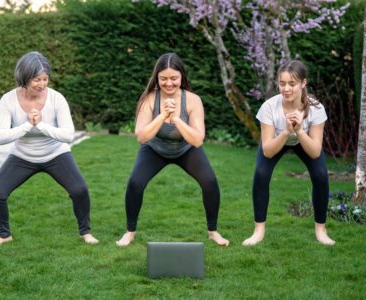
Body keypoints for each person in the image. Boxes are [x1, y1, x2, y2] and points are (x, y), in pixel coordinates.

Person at [0, 51, 98, 246]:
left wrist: (41, 125)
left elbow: (68, 135)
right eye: (37, 79)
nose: (42, 84)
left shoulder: (56, 99)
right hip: (22, 156)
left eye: (45, 79)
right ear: (24, 77)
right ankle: (4, 235)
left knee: (80, 190)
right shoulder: (8, 100)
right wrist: (28, 126)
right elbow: (0, 137)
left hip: (56, 154)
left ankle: (85, 233)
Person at [116, 53, 229, 247]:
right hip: (154, 149)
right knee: (135, 183)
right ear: (157, 78)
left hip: (186, 149)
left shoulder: (192, 100)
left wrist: (176, 118)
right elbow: (142, 136)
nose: (169, 83)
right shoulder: (149, 99)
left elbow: (197, 140)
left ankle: (213, 231)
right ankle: (130, 232)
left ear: (182, 77)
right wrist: (163, 115)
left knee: (209, 182)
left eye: (174, 78)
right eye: (164, 79)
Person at [242, 60, 335, 246]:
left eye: (292, 84)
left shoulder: (316, 108)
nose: (286, 88)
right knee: (261, 173)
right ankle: (258, 230)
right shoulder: (269, 107)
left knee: (320, 174)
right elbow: (268, 151)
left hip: (304, 140)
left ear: (303, 83)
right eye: (282, 83)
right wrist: (286, 131)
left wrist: (299, 130)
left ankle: (321, 230)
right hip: (277, 139)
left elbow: (315, 152)